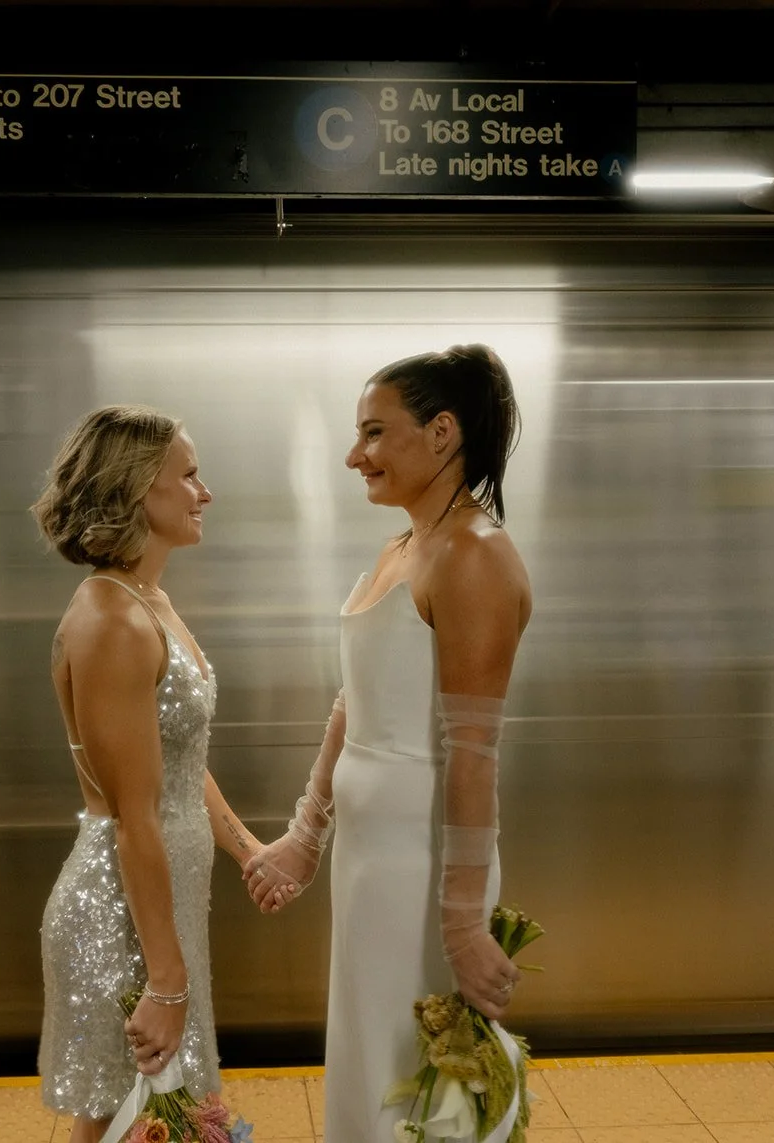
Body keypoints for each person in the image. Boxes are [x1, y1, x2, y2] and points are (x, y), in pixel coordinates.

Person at [246, 345, 532, 1142]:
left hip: (426, 864)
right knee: (372, 1066)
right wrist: (307, 834)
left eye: (374, 432)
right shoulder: (405, 547)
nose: (353, 455)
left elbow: (473, 752)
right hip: (371, 859)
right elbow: (357, 700)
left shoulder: (475, 555)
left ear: (442, 433)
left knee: (417, 1088)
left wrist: (464, 923)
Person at [32, 405, 267, 1143]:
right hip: (124, 916)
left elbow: (176, 762)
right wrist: (166, 983)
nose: (205, 491)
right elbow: (137, 815)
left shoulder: (145, 602)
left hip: (160, 909)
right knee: (119, 1118)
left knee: (148, 1117)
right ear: (139, 491)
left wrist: (248, 849)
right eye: (189, 475)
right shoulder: (112, 621)